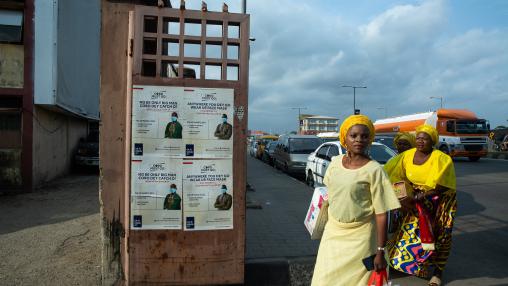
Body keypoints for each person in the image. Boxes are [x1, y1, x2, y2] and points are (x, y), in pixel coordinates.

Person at [311, 115, 401, 286]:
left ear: (370, 140)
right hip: (333, 233)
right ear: (345, 137)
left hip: (362, 238)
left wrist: (380, 251)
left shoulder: (375, 170)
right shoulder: (335, 163)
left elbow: (382, 214)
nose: (359, 140)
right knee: (323, 279)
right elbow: (329, 193)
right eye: (354, 135)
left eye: (364, 136)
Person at [386, 125, 456, 286]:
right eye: (418, 138)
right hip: (417, 200)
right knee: (412, 233)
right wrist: (403, 197)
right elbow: (395, 174)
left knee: (441, 235)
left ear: (432, 141)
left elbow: (443, 184)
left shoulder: (441, 158)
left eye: (425, 138)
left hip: (440, 201)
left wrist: (421, 196)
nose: (420, 141)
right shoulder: (407, 156)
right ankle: (407, 264)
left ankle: (438, 273)